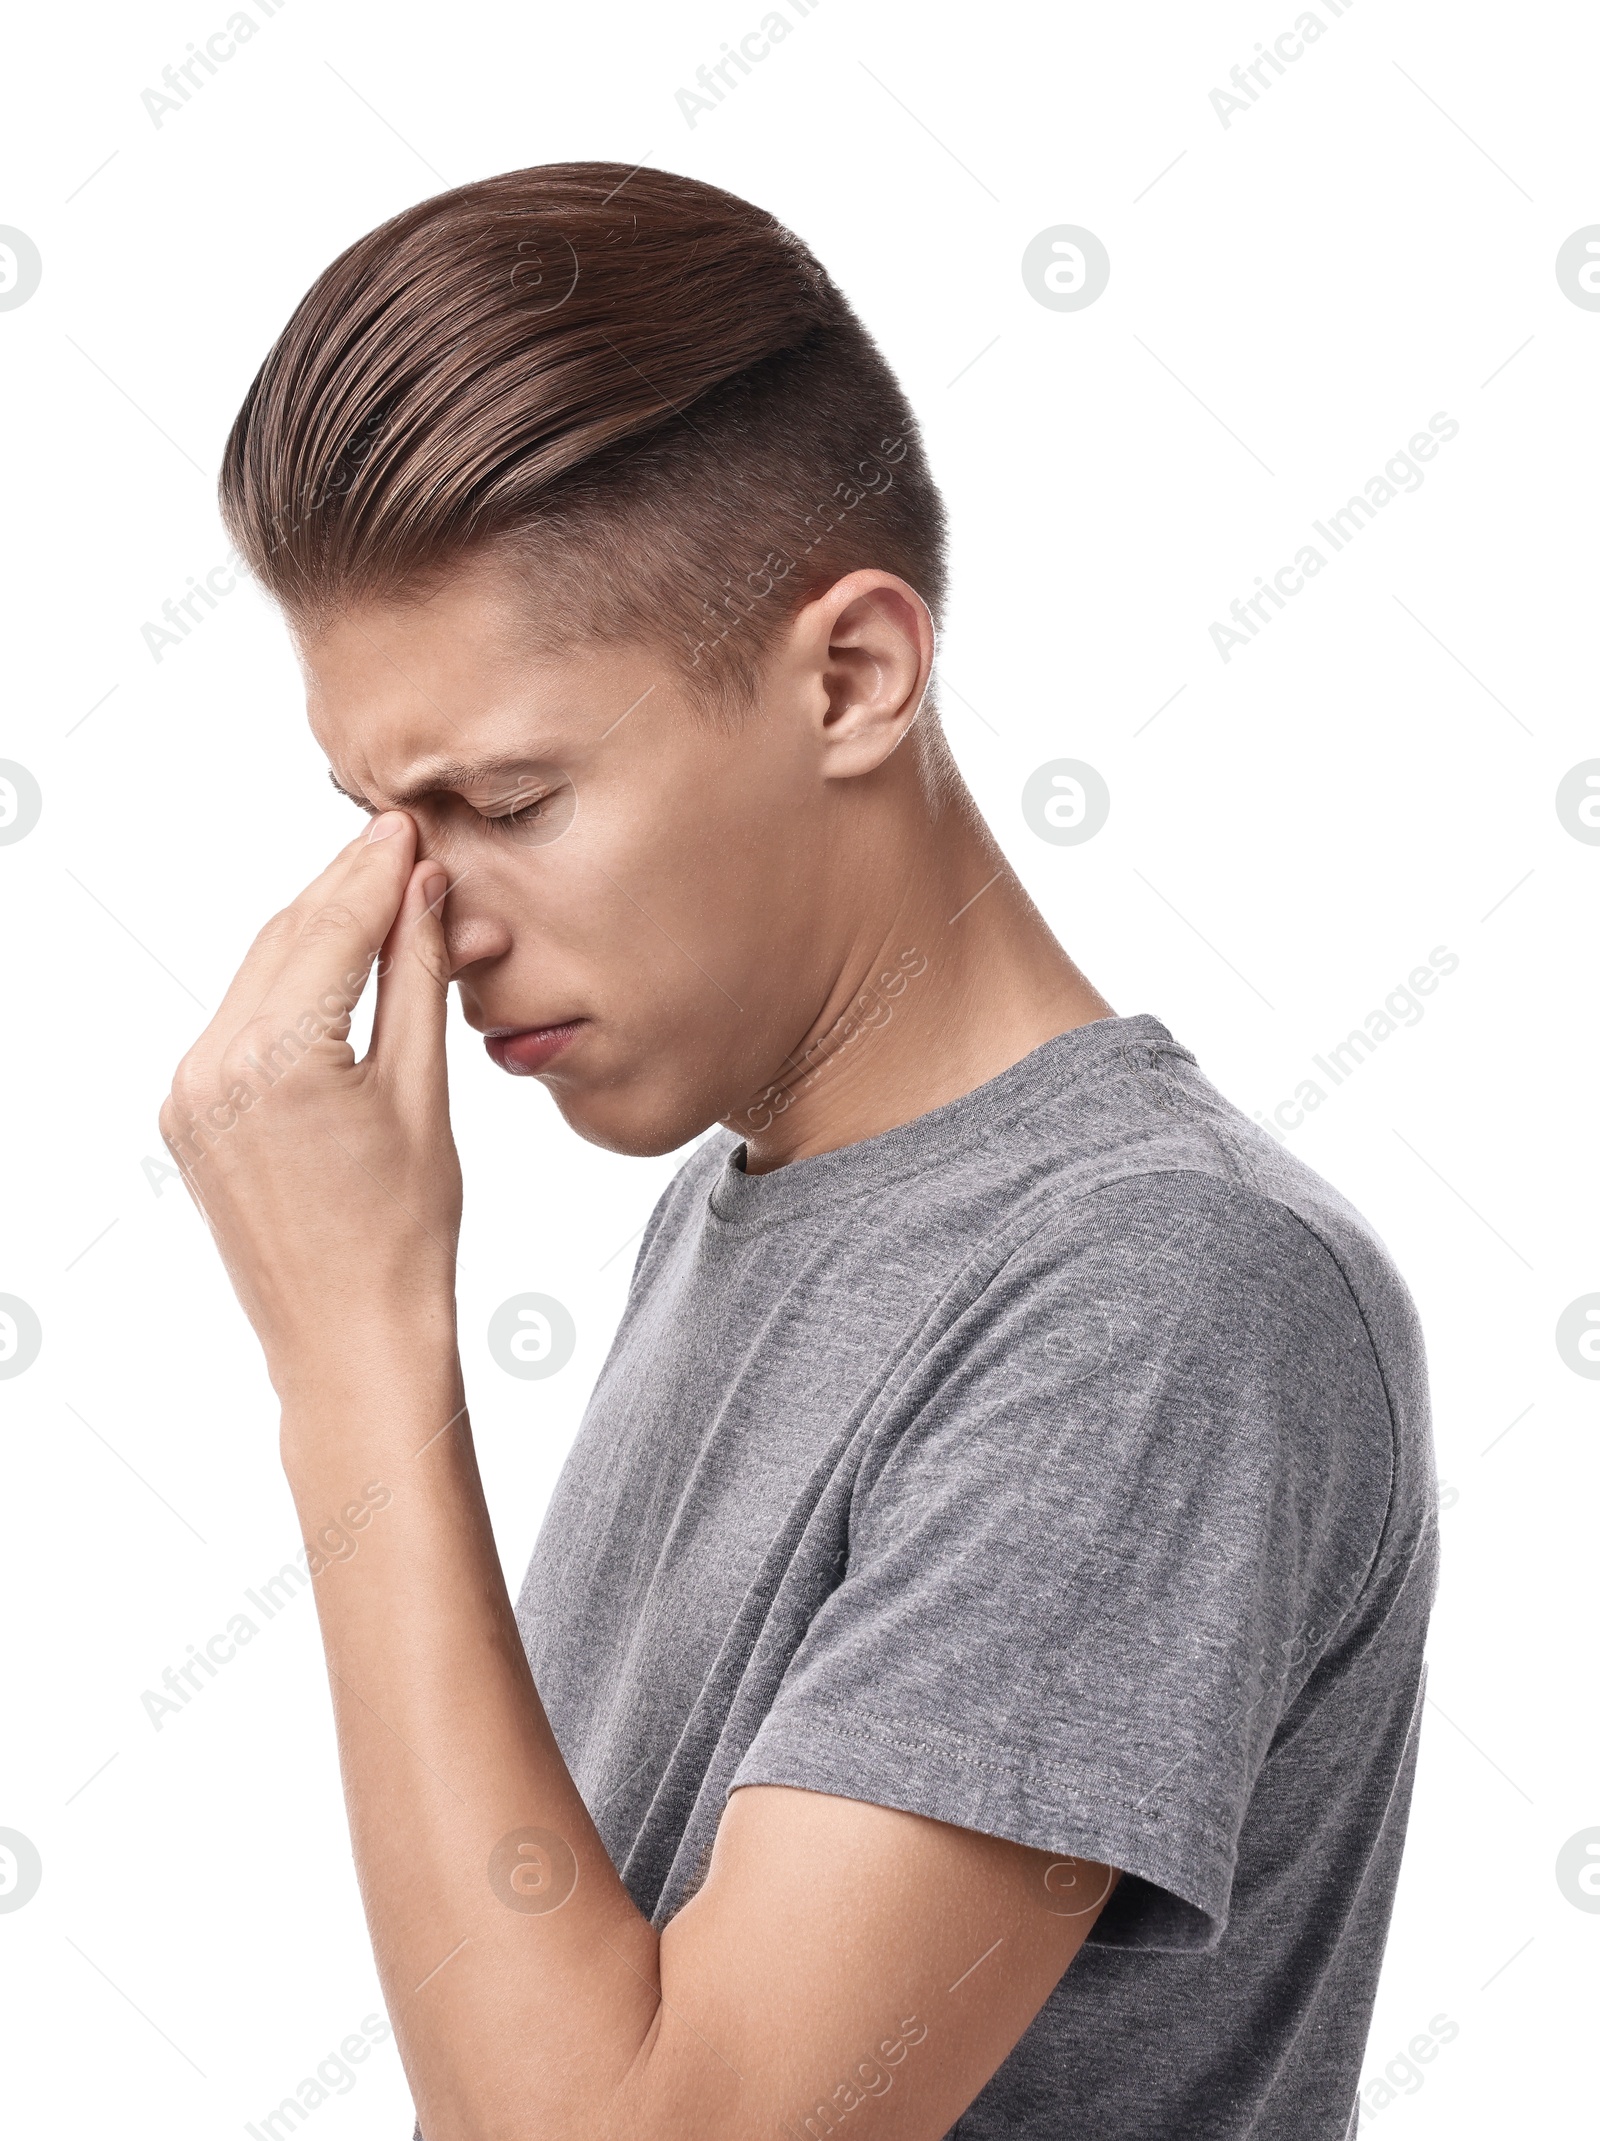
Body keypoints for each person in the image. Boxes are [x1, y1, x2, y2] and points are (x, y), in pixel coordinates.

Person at [161, 162, 1438, 2141]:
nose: (429, 917)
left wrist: (351, 1367)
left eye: (503, 797)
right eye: (386, 817)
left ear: (848, 675)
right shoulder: (744, 1208)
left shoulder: (1148, 1292)